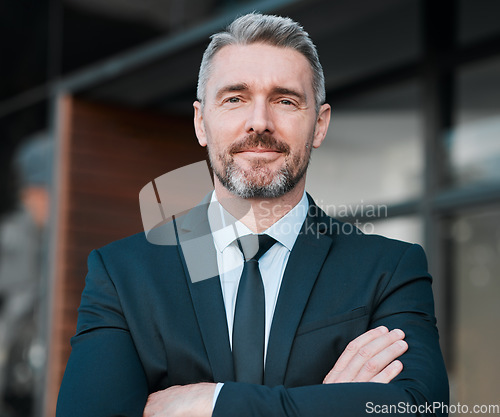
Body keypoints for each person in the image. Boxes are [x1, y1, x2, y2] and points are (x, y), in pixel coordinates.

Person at [56, 13, 449, 417]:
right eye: (234, 99)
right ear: (200, 122)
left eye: (285, 101)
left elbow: (420, 408)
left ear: (319, 124)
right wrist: (323, 405)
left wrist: (210, 402)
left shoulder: (389, 269)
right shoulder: (123, 274)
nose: (259, 122)